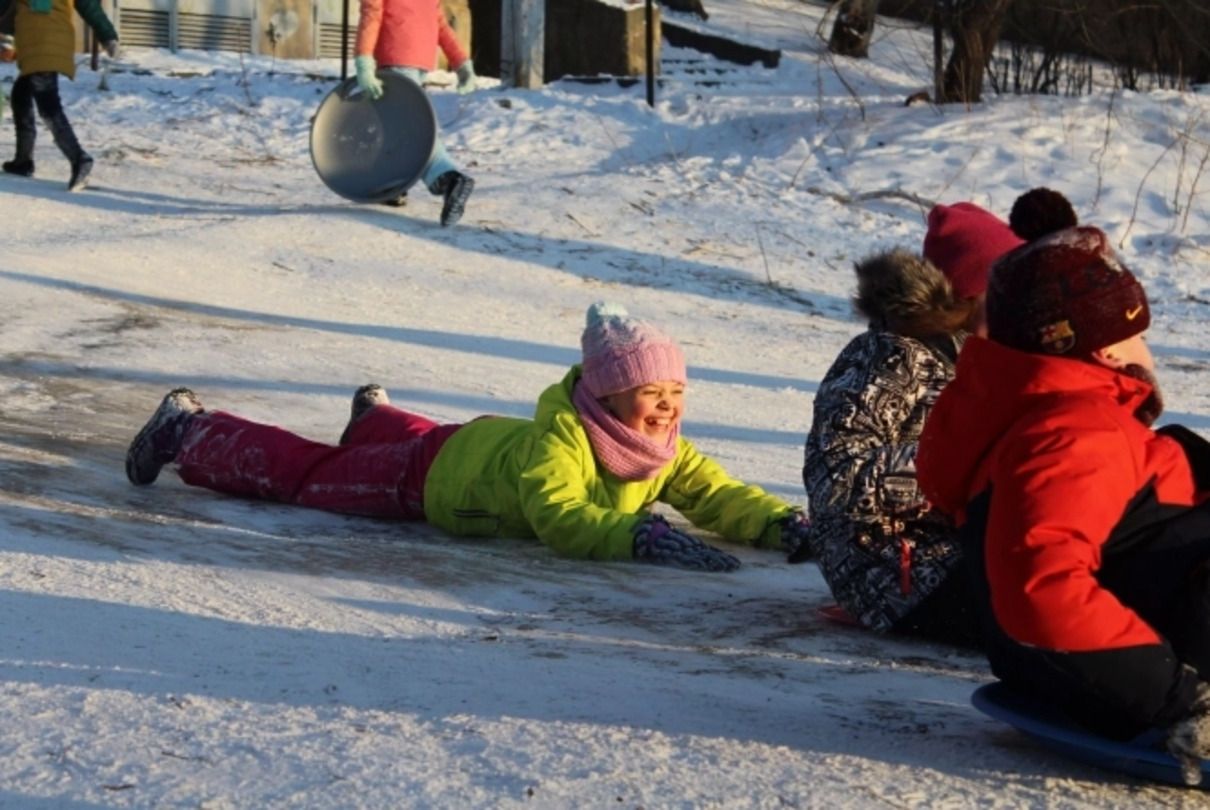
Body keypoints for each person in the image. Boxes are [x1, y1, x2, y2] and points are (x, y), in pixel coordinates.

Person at [124, 302, 812, 571]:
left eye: (676, 395)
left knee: (425, 440)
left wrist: (783, 526)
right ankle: (190, 431)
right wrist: (634, 536)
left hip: (474, 449)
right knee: (308, 475)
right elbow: (559, 515)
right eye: (650, 396)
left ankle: (375, 421)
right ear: (605, 396)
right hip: (431, 482)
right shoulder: (564, 442)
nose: (666, 411)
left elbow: (717, 494)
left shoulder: (660, 451)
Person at [915, 192, 1210, 785]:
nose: (1148, 353)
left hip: (1079, 653)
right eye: (1139, 338)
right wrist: (1181, 702)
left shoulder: (1036, 419)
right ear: (1105, 351)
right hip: (1155, 668)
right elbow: (1041, 584)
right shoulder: (1076, 431)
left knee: (1182, 449)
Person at [797, 200, 1022, 646]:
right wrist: (958, 466)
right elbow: (835, 478)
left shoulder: (985, 360)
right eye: (1012, 295)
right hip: (893, 573)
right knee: (1039, 616)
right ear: (971, 295)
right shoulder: (886, 358)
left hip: (963, 551)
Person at [353, 0, 476, 226]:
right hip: (419, 57)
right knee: (395, 123)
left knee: (409, 127)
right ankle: (395, 186)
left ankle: (447, 178)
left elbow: (372, 13)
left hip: (394, 52)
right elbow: (439, 20)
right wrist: (461, 62)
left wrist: (363, 59)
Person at [2, 0, 119, 191]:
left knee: (48, 106)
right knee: (21, 96)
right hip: (51, 40)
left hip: (40, 42)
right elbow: (89, 5)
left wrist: (107, 36)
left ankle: (80, 159)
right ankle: (22, 162)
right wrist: (107, 36)